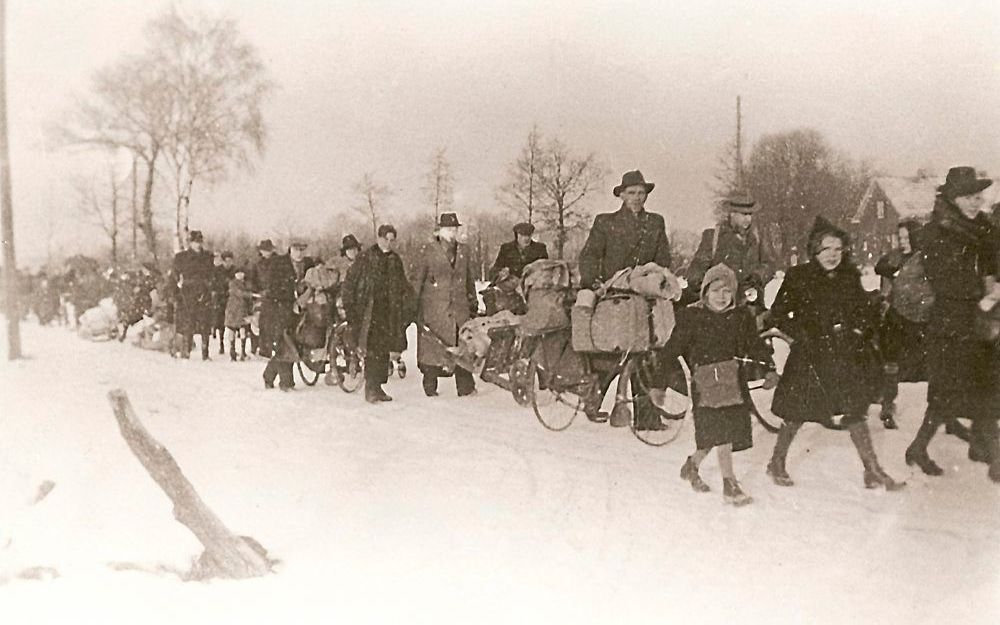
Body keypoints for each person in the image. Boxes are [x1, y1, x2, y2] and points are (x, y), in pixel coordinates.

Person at [766, 216, 904, 491]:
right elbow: (778, 315)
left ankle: (872, 469)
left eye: (838, 249)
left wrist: (863, 325)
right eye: (827, 249)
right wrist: (802, 334)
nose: (833, 255)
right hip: (810, 355)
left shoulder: (849, 275)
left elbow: (860, 310)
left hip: (843, 354)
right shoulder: (798, 277)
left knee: (855, 411)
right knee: (797, 412)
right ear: (815, 250)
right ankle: (776, 462)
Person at [905, 167, 999, 482]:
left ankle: (924, 448)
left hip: (976, 321)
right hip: (949, 325)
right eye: (970, 197)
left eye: (979, 197)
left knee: (978, 388)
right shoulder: (937, 232)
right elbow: (946, 283)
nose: (976, 203)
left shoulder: (979, 227)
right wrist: (984, 295)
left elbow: (991, 261)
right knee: (950, 393)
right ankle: (990, 454)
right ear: (954, 198)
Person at [666, 263, 778, 505]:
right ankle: (730, 484)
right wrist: (657, 384)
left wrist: (769, 368)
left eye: (727, 291)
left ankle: (691, 465)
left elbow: (754, 345)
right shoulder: (692, 317)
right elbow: (671, 350)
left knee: (714, 436)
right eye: (715, 290)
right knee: (722, 434)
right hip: (705, 385)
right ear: (705, 292)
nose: (721, 296)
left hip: (732, 383)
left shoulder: (740, 318)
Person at [577, 170, 672, 430]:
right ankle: (593, 399)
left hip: (644, 297)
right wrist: (593, 281)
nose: (637, 198)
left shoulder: (655, 222)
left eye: (641, 193)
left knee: (643, 353)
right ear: (621, 194)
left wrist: (659, 278)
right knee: (611, 351)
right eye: (631, 193)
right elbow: (589, 255)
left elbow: (664, 258)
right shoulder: (605, 223)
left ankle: (645, 417)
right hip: (615, 296)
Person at [342, 225, 414, 403]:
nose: (388, 243)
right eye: (385, 239)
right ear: (378, 238)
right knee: (372, 350)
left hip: (388, 312)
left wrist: (410, 303)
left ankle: (378, 387)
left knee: (384, 351)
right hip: (369, 312)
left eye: (392, 240)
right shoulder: (365, 258)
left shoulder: (394, 260)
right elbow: (350, 285)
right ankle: (371, 389)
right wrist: (351, 311)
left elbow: (403, 284)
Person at [410, 212, 478, 397]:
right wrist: (413, 307)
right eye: (448, 229)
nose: (452, 232)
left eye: (455, 229)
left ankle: (466, 387)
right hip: (435, 310)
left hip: (459, 309)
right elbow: (417, 280)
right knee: (433, 348)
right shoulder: (428, 251)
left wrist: (473, 302)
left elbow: (468, 278)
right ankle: (430, 386)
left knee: (462, 346)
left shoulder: (464, 251)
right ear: (439, 231)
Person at [873, 220, 929, 429]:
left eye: (907, 237)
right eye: (901, 238)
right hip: (896, 317)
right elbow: (881, 267)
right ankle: (887, 404)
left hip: (921, 317)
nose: (903, 242)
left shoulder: (926, 257)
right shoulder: (897, 256)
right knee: (890, 360)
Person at [684, 192, 773, 309]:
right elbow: (698, 268)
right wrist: (712, 290)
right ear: (732, 214)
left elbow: (768, 265)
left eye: (750, 214)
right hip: (721, 306)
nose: (748, 219)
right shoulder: (713, 237)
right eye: (743, 214)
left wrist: (756, 279)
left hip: (750, 304)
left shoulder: (757, 238)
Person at [257, 242, 298, 390]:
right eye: (296, 249)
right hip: (277, 309)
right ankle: (286, 382)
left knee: (289, 343)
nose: (299, 253)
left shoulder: (306, 264)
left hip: (291, 308)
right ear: (290, 250)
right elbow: (271, 287)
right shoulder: (278, 264)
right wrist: (289, 298)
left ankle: (269, 375)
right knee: (284, 342)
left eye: (302, 250)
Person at [172, 230, 216, 360]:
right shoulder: (181, 257)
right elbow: (175, 275)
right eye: (195, 242)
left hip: (204, 291)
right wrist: (177, 288)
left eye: (199, 241)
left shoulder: (208, 257)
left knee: (205, 321)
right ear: (190, 243)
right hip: (188, 292)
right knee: (188, 321)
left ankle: (205, 352)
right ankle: (186, 350)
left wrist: (211, 287)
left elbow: (212, 274)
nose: (198, 244)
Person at [224, 267, 253, 361]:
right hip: (234, 309)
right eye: (238, 273)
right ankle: (233, 351)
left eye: (242, 273)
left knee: (242, 329)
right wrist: (250, 294)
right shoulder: (233, 283)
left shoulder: (246, 283)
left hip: (241, 309)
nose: (240, 275)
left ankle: (242, 352)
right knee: (232, 329)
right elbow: (239, 293)